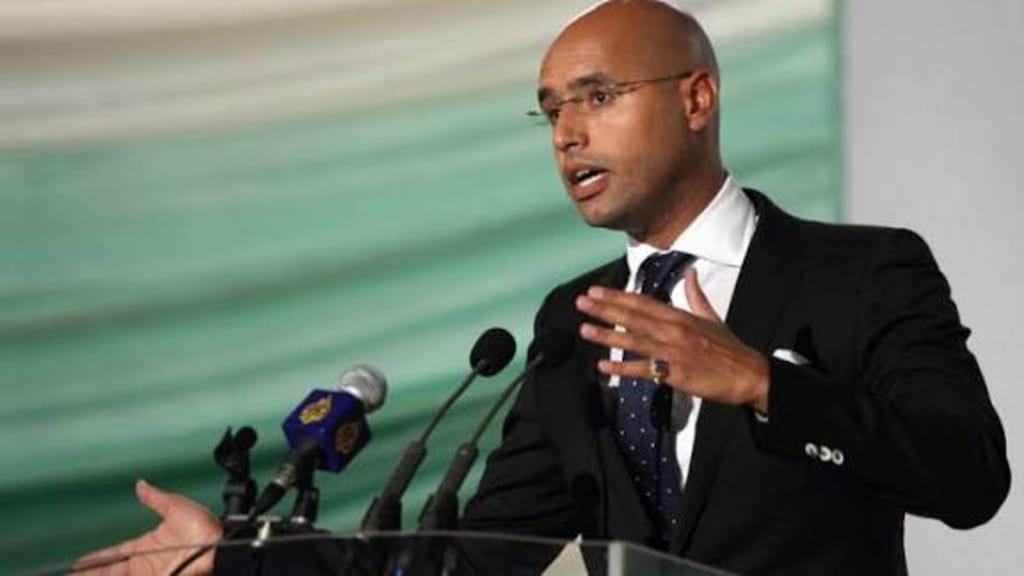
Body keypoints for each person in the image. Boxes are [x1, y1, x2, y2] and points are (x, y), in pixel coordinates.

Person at [75, 1, 1009, 574]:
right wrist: (233, 560)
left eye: (598, 97)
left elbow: (970, 477)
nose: (566, 134)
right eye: (551, 109)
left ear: (696, 98)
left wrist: (763, 384)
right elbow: (473, 558)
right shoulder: (573, 320)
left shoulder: (862, 272)